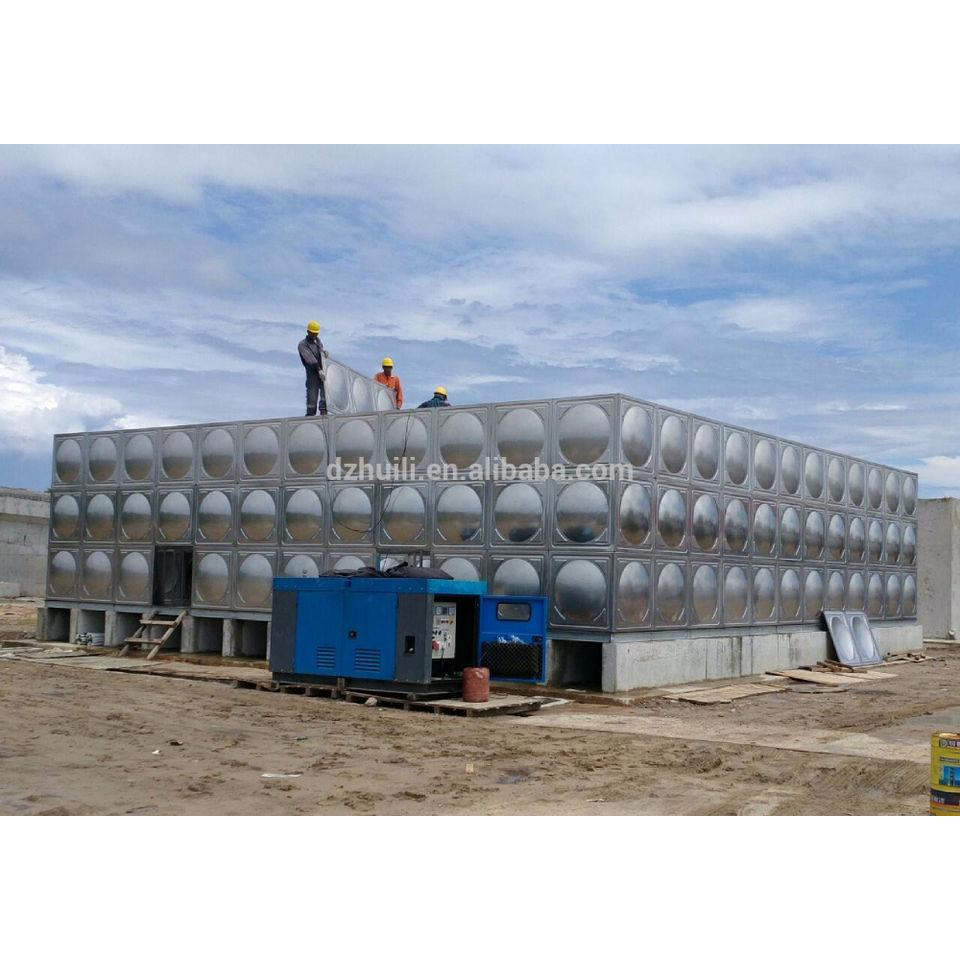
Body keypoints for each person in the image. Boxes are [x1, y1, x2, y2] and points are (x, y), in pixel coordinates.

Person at [298, 321, 329, 416]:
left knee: (325, 393)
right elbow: (310, 358)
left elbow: (319, 353)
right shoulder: (303, 344)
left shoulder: (318, 342)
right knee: (312, 396)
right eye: (313, 333)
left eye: (316, 333)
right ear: (308, 332)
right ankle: (310, 416)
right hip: (312, 373)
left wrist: (324, 353)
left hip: (322, 371)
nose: (315, 335)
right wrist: (319, 370)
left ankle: (323, 412)